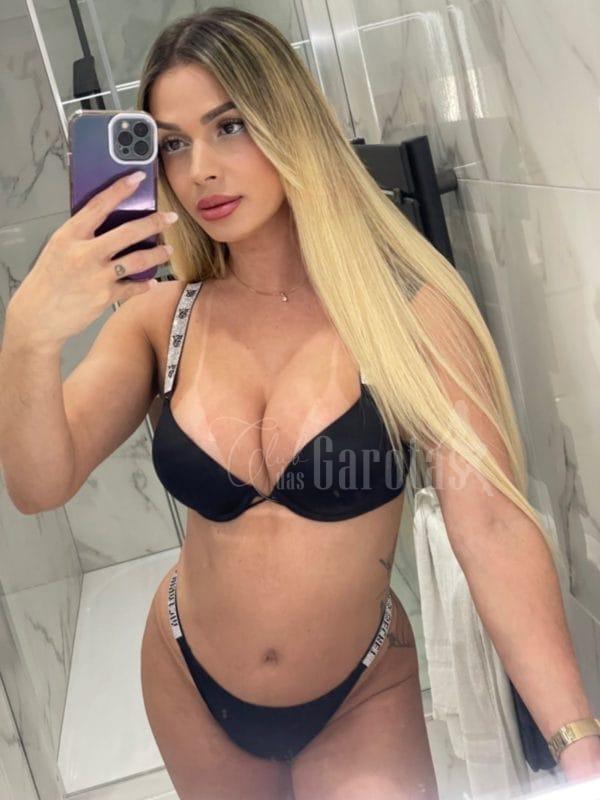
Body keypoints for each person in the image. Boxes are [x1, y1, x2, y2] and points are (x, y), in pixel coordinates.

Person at [2, 7, 598, 800]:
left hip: (359, 693)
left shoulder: (406, 313)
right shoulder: (160, 320)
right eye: (173, 143)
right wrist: (27, 336)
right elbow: (39, 485)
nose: (200, 169)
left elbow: (489, 523)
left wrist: (578, 743)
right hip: (187, 680)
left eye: (230, 126)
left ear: (290, 122)